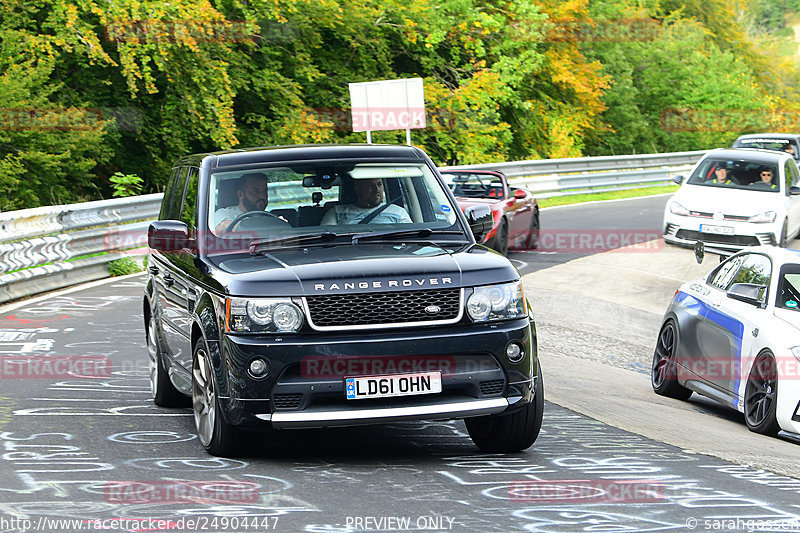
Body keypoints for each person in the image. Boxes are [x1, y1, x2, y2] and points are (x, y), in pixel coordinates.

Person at [320, 178, 412, 225]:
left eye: (379, 184)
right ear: (357, 189)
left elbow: (410, 240)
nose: (376, 189)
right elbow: (327, 240)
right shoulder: (337, 213)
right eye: (370, 185)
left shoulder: (399, 212)